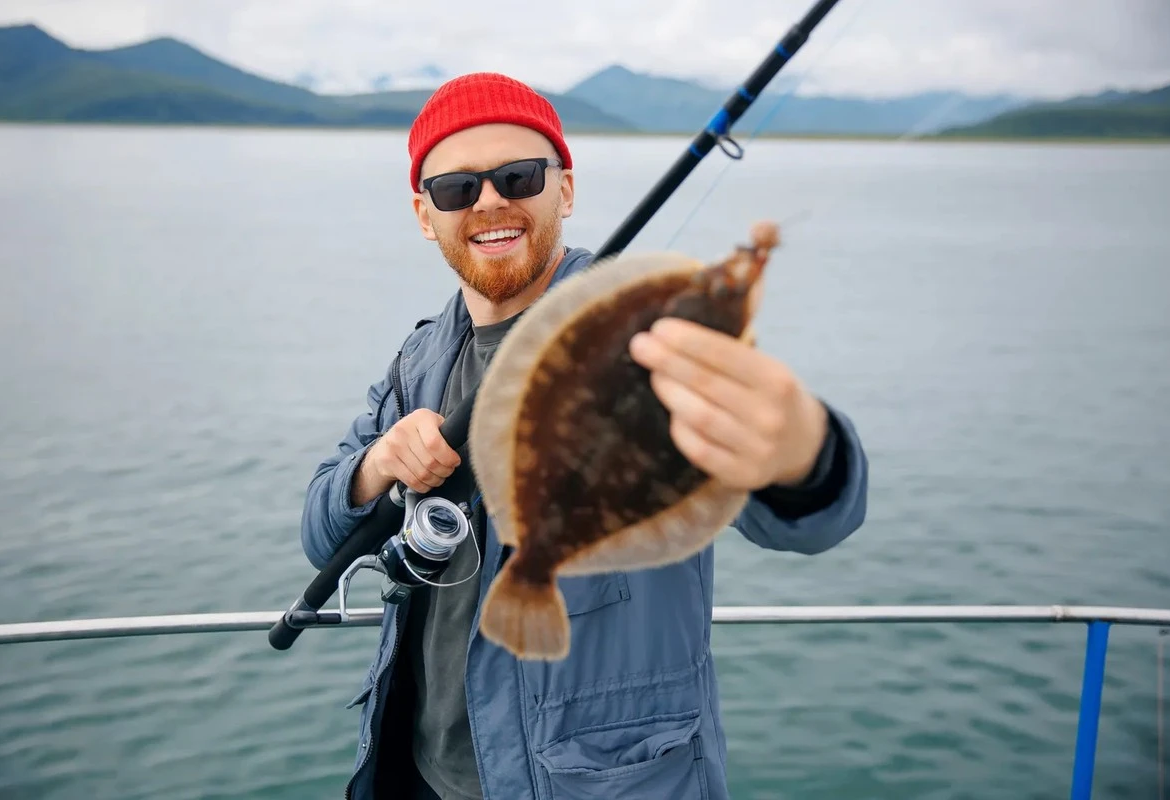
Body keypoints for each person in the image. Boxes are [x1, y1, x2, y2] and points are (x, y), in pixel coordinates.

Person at [300, 71, 869, 800]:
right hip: (418, 777)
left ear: (564, 190)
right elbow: (321, 533)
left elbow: (810, 518)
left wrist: (803, 454)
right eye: (456, 189)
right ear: (424, 213)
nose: (492, 201)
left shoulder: (642, 332)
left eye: (519, 175)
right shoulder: (418, 362)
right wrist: (377, 465)